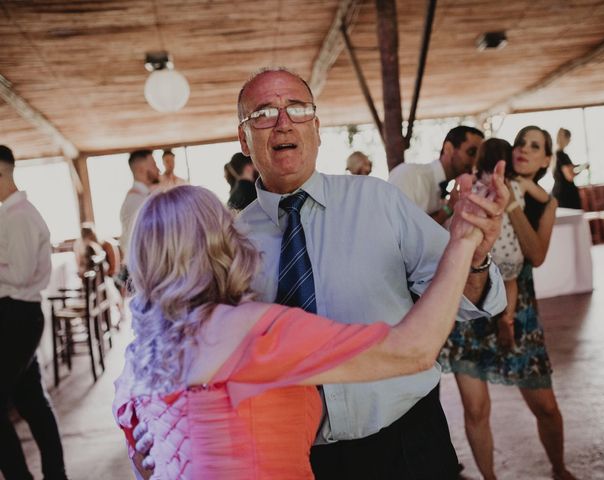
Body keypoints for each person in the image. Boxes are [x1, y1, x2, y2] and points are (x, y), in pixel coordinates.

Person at [128, 67, 508, 479]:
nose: (283, 122)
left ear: (317, 126)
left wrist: (473, 256)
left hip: (406, 440)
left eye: (297, 108)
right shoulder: (230, 245)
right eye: (263, 114)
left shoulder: (379, 200)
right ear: (244, 139)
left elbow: (468, 302)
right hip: (299, 459)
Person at [114, 180, 497, 478]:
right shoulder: (252, 332)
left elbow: (145, 464)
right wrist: (462, 243)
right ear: (222, 244)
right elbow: (414, 349)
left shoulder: (138, 360)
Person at [439, 126, 576, 480]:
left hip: (519, 311)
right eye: (520, 143)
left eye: (535, 146)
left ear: (547, 158)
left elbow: (536, 253)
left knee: (544, 405)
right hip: (468, 308)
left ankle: (559, 469)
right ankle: (490, 478)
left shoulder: (543, 201)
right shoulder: (480, 185)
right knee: (476, 407)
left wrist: (511, 203)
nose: (524, 150)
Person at [0, 145, 69, 480]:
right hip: (15, 314)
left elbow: (21, 274)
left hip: (17, 315)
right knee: (31, 403)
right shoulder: (10, 214)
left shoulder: (21, 216)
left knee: (30, 405)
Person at [474, 138, 550, 347]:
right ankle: (507, 318)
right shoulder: (516, 183)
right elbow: (545, 198)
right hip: (510, 250)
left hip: (486, 248)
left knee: (483, 283)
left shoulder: (477, 184)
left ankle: (484, 315)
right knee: (510, 282)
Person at [389, 126, 484, 224]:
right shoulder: (409, 175)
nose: (476, 161)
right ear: (448, 148)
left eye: (479, 156)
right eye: (471, 152)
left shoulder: (450, 189)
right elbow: (398, 230)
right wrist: (448, 209)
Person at [119, 149, 160, 265]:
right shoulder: (137, 202)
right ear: (140, 169)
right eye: (154, 165)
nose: (158, 169)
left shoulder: (143, 198)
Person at [551, 128, 589, 209]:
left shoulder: (555, 155)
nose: (570, 141)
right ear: (565, 139)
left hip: (558, 192)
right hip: (566, 194)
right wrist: (583, 168)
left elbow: (570, 167)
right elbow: (570, 176)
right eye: (569, 138)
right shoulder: (562, 155)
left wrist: (581, 166)